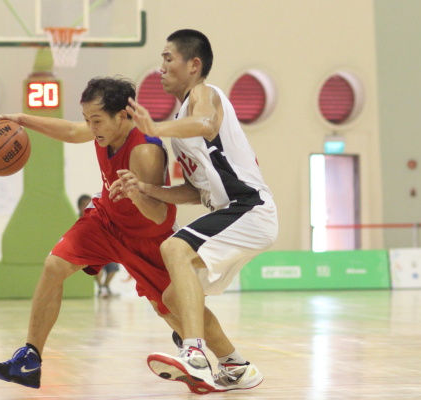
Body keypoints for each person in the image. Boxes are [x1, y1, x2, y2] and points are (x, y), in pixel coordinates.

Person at [0, 77, 244, 395]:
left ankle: (231, 363)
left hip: (148, 239)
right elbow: (69, 130)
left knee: (175, 310)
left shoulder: (145, 151)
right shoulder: (102, 131)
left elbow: (159, 215)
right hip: (104, 222)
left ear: (122, 115)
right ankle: (29, 360)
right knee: (53, 267)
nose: (91, 128)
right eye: (88, 119)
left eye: (96, 120)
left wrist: (136, 194)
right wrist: (22, 119)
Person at [116, 29, 278, 392]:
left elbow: (206, 123)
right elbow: (194, 193)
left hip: (249, 207)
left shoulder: (205, 95)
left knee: (174, 248)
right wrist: (145, 189)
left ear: (194, 64)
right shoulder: (180, 124)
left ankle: (195, 353)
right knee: (174, 298)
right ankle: (237, 366)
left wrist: (155, 126)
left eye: (168, 58)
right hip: (231, 212)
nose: (160, 68)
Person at [77, 193, 119, 298]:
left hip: (102, 250)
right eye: (84, 205)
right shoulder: (78, 221)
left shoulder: (97, 217)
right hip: (89, 253)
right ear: (79, 207)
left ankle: (105, 287)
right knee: (96, 266)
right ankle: (100, 287)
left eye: (88, 204)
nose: (87, 207)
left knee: (114, 264)